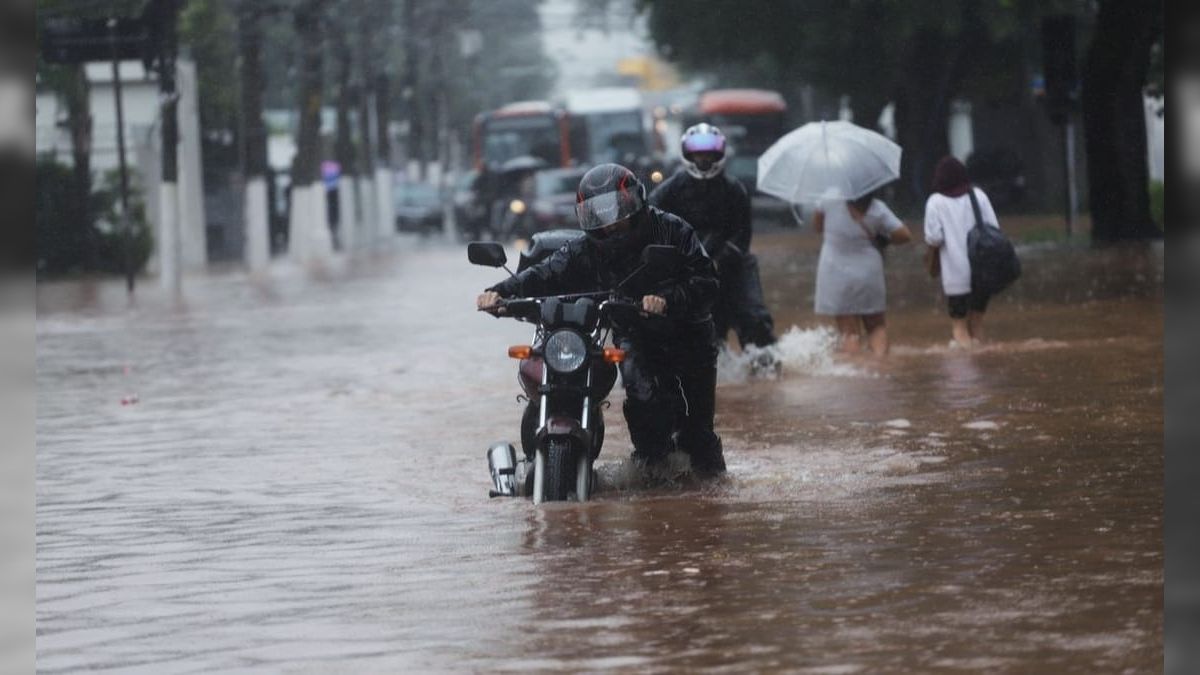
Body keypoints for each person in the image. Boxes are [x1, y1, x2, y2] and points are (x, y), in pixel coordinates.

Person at [475, 163, 727, 477]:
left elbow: (708, 282)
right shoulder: (584, 249)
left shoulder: (673, 230)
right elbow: (544, 273)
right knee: (643, 400)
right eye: (598, 216)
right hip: (634, 332)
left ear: (635, 203)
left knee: (698, 436)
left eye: (616, 213)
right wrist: (499, 293)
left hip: (687, 335)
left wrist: (667, 300)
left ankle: (711, 495)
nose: (609, 225)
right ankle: (651, 473)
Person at [648, 123, 779, 362]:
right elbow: (654, 234)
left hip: (731, 267)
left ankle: (766, 367)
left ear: (719, 154)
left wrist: (720, 260)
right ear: (688, 154)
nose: (704, 158)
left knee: (756, 321)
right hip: (687, 271)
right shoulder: (667, 192)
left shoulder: (734, 190)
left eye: (709, 153)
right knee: (683, 328)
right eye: (698, 153)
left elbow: (742, 236)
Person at [811, 189, 912, 356]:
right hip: (869, 272)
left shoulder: (827, 199)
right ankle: (881, 368)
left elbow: (817, 227)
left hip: (835, 271)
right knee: (876, 327)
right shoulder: (877, 208)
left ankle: (858, 375)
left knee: (848, 333)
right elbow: (905, 235)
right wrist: (884, 239)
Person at [923, 155, 1001, 348]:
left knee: (959, 327)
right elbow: (994, 230)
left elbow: (934, 239)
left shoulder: (935, 202)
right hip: (982, 274)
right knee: (977, 325)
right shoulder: (979, 196)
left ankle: (967, 372)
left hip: (955, 277)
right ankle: (981, 365)